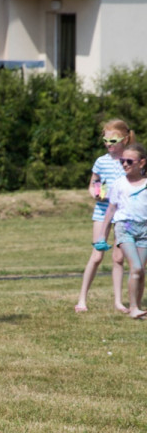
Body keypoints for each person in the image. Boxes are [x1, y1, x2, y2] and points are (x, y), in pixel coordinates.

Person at [75, 119, 134, 313]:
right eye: (106, 140)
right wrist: (96, 193)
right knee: (97, 255)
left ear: (125, 140)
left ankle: (118, 301)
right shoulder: (101, 162)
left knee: (118, 258)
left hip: (122, 215)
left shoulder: (130, 161)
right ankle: (82, 299)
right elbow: (94, 184)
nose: (109, 144)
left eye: (113, 140)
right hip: (102, 212)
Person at [98, 142, 147, 319]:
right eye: (122, 162)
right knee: (135, 267)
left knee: (140, 270)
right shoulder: (119, 184)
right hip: (125, 227)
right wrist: (101, 236)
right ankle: (133, 308)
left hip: (145, 230)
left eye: (129, 161)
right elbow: (110, 210)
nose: (125, 164)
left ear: (141, 163)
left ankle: (138, 307)